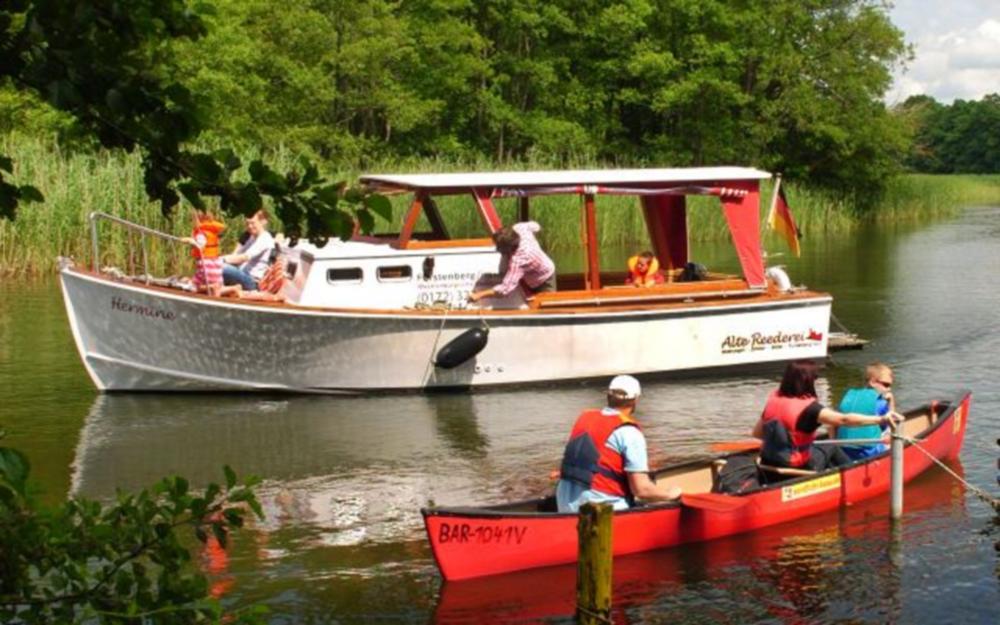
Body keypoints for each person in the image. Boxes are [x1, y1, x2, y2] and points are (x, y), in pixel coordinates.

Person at [556, 375, 682, 512]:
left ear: (608, 396)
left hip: (564, 505)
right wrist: (671, 493)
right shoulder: (629, 432)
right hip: (597, 512)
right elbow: (641, 490)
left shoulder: (585, 418)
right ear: (636, 400)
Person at [751, 360, 899, 471]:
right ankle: (854, 473)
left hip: (768, 461)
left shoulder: (773, 400)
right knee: (831, 448)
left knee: (822, 446)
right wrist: (881, 419)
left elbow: (757, 434)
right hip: (793, 464)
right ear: (808, 381)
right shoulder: (810, 408)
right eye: (815, 378)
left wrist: (783, 441)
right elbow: (844, 419)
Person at [468, 221, 555, 303]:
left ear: (510, 248)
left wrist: (478, 295)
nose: (497, 249)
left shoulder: (519, 259)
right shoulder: (520, 228)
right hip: (531, 273)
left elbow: (505, 289)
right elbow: (536, 226)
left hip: (544, 278)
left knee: (546, 307)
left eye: (499, 247)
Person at [833, 362, 900, 460]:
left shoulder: (849, 395)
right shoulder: (880, 402)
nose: (889, 389)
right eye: (886, 385)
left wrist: (835, 443)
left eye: (890, 386)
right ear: (872, 382)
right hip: (868, 451)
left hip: (843, 449)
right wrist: (891, 401)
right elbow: (892, 421)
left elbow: (832, 424)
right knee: (892, 435)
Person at [183, 210, 239, 298]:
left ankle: (211, 287)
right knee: (219, 287)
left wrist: (190, 241)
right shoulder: (211, 231)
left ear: (198, 220)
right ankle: (234, 288)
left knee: (193, 286)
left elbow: (200, 246)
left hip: (206, 266)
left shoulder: (201, 233)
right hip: (216, 266)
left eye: (193, 220)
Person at [221, 209, 275, 291]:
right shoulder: (252, 237)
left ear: (263, 222)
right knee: (214, 267)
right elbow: (236, 255)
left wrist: (221, 260)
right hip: (242, 274)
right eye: (247, 223)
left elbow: (245, 257)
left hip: (252, 281)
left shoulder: (265, 239)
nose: (249, 226)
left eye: (253, 223)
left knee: (222, 267)